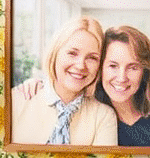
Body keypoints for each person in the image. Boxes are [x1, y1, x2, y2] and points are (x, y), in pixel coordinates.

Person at [10, 16, 118, 146]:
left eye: (92, 58)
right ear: (55, 54)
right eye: (72, 53)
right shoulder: (16, 99)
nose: (80, 66)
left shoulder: (104, 116)